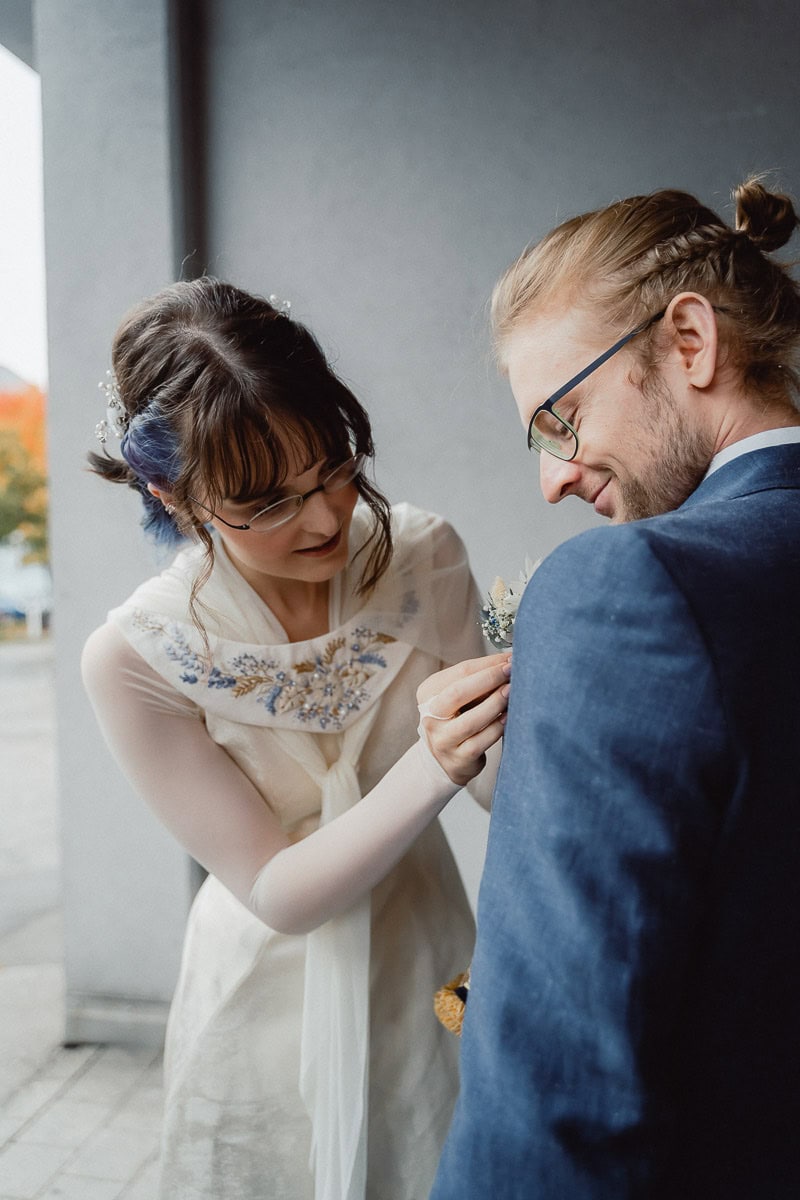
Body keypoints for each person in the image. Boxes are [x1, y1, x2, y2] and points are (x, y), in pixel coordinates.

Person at [80, 278, 508, 1200]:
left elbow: (494, 782)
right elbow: (278, 891)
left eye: (334, 470)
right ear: (174, 495)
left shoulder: (424, 552)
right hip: (262, 994)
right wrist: (433, 759)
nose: (323, 518)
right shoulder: (133, 658)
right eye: (266, 503)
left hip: (430, 956)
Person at [432, 178, 800, 1199]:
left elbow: (555, 1094)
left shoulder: (625, 585)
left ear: (687, 342)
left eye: (562, 417)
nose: (550, 479)